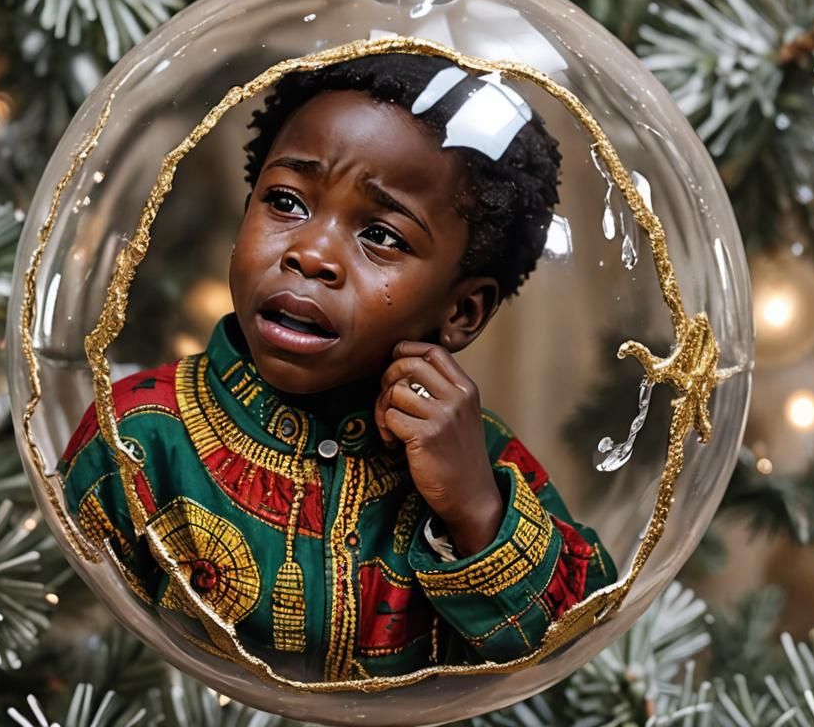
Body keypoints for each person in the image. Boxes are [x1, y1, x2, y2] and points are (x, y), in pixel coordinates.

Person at [59, 53, 616, 683]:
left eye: (381, 235)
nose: (311, 252)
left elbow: (582, 643)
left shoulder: (477, 458)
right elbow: (62, 653)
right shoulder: (137, 434)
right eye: (288, 201)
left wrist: (474, 509)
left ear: (461, 311)